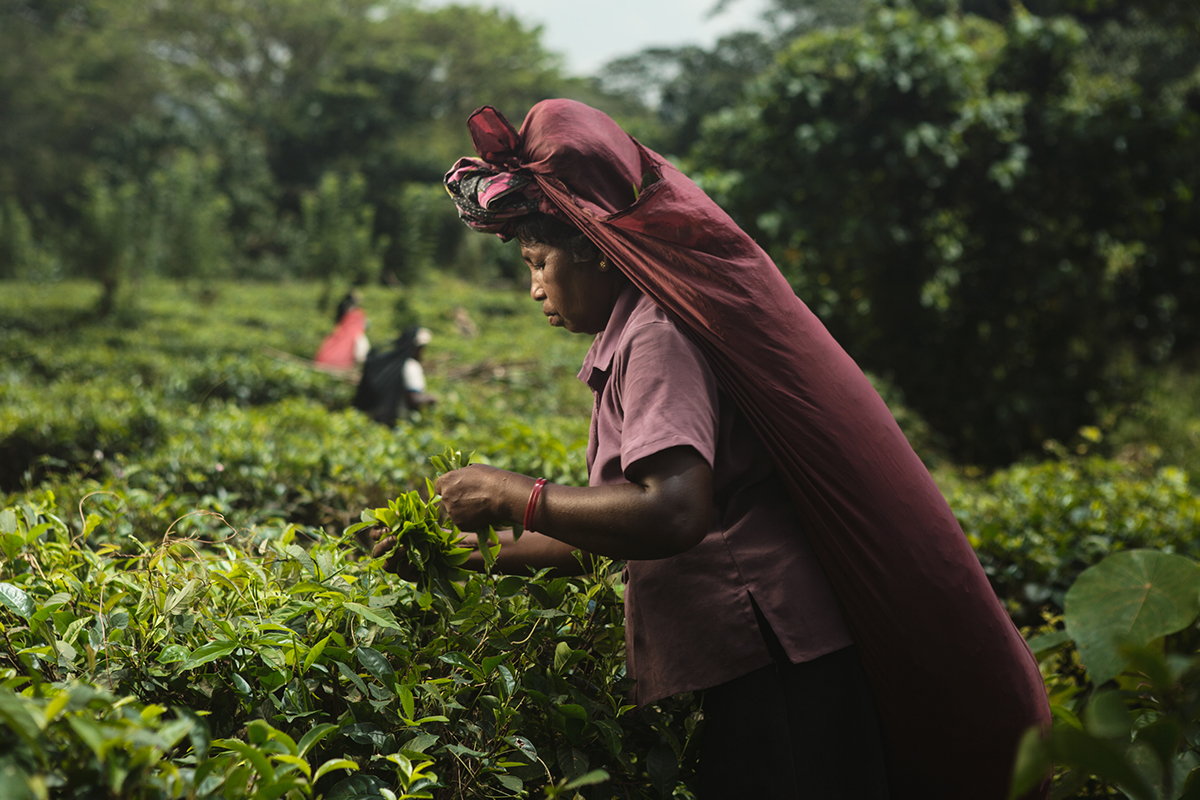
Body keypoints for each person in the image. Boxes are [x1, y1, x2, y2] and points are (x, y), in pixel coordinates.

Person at [378, 100, 1049, 799]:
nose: (534, 286)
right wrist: (460, 553)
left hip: (776, 655)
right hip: (767, 657)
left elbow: (671, 514)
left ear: (597, 252)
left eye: (540, 261)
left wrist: (515, 493)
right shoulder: (634, 335)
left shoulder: (656, 336)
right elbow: (603, 536)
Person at [352, 326, 436, 426]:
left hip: (377, 419)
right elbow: (414, 399)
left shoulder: (388, 362)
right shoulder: (411, 366)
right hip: (401, 423)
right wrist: (432, 399)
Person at [314, 291, 370, 370]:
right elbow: (365, 324)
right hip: (352, 332)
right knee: (361, 349)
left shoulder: (344, 307)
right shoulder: (358, 311)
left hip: (341, 330)